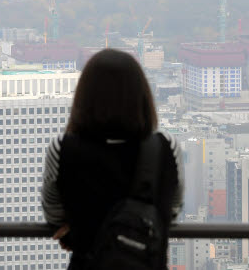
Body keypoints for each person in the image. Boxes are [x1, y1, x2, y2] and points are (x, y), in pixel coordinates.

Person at [42, 48, 183, 268]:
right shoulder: (165, 147)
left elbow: (53, 213)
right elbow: (171, 209)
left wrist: (78, 228)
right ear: (143, 96)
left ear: (84, 97)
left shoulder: (63, 148)